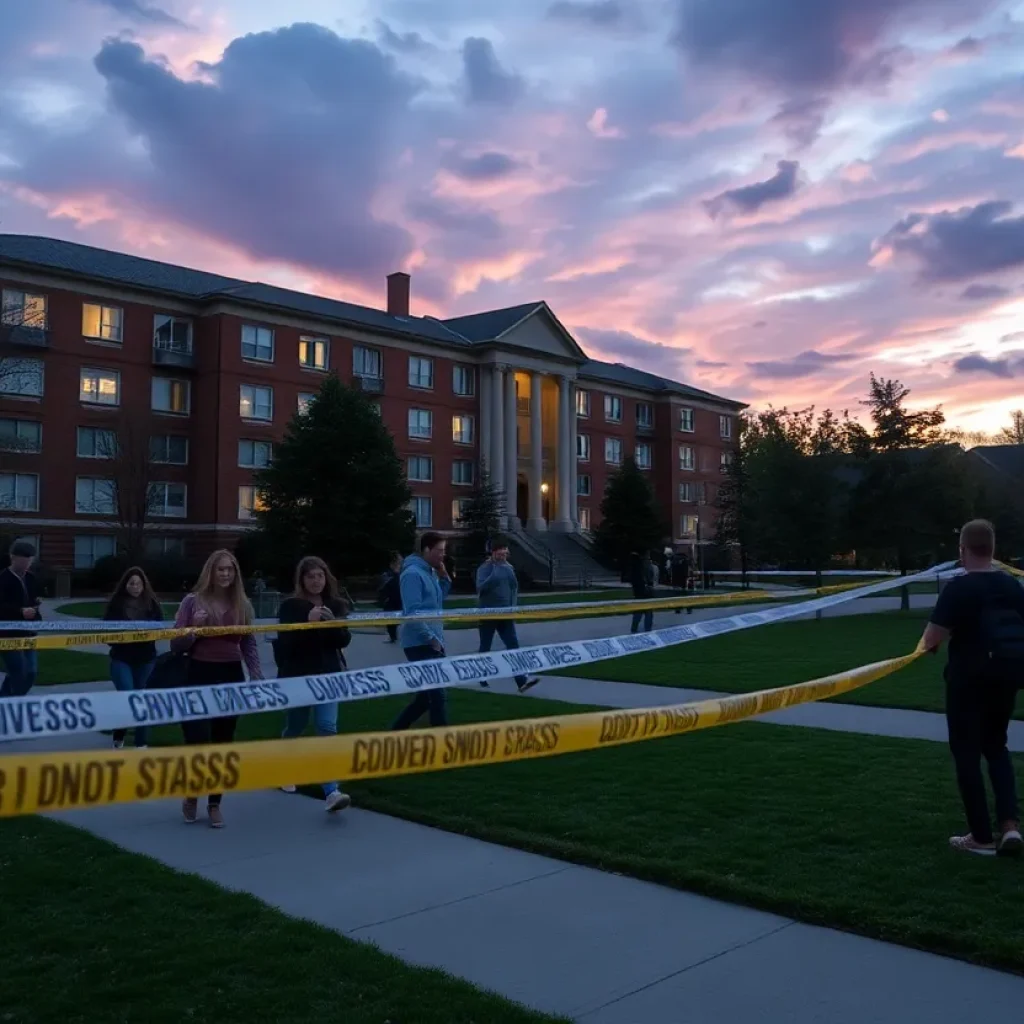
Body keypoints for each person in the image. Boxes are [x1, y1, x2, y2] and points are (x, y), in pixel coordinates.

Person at [920, 520, 1024, 857]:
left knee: (966, 755)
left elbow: (930, 641)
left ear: (962, 550)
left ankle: (980, 837)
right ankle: (1009, 827)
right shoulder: (1012, 586)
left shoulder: (958, 589)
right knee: (996, 748)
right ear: (993, 551)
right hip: (1007, 677)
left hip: (968, 682)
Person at [171, 548, 263, 828]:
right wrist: (193, 631)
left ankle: (214, 802)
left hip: (230, 674)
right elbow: (175, 645)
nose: (225, 574)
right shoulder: (192, 602)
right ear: (210, 572)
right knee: (197, 739)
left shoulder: (243, 605)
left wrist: (256, 674)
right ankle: (191, 794)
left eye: (230, 569)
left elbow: (248, 642)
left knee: (223, 741)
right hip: (198, 672)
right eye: (221, 569)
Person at [275, 556, 353, 813]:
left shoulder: (336, 605)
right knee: (296, 725)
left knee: (327, 726)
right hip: (299, 675)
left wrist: (331, 624)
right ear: (302, 579)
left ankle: (331, 790)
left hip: (329, 676)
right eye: (310, 576)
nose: (316, 581)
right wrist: (307, 625)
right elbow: (286, 645)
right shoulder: (290, 607)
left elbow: (343, 640)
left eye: (320, 576)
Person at [392, 532, 451, 730]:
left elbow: (437, 601)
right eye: (439, 551)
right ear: (426, 550)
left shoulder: (430, 571)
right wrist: (430, 638)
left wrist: (444, 578)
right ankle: (442, 741)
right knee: (437, 695)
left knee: (427, 698)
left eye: (444, 550)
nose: (443, 555)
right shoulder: (412, 574)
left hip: (433, 640)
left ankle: (396, 731)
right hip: (419, 643)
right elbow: (412, 612)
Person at [103, 566, 163, 749]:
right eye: (131, 583)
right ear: (125, 585)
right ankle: (119, 734)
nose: (135, 587)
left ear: (144, 585)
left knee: (142, 699)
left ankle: (141, 743)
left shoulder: (152, 604)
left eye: (138, 583)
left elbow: (161, 628)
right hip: (122, 658)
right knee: (128, 696)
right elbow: (107, 633)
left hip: (146, 659)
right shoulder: (116, 605)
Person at [475, 538, 539, 694]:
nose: (503, 553)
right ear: (493, 552)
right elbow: (481, 589)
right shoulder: (484, 568)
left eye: (505, 550)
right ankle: (481, 677)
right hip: (488, 615)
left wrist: (513, 608)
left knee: (513, 647)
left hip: (505, 614)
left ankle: (521, 682)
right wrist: (494, 571)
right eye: (500, 550)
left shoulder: (509, 568)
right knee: (485, 647)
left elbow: (513, 588)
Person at [0, 540, 42, 697]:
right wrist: (20, 611)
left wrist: (35, 612)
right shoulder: (3, 579)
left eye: (30, 559)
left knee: (31, 672)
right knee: (19, 671)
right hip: (8, 635)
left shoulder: (31, 578)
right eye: (23, 558)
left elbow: (34, 601)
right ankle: (13, 705)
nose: (27, 562)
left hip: (29, 633)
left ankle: (5, 701)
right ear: (13, 557)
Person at [378, 552, 403, 644]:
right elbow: (384, 587)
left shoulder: (402, 573)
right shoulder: (388, 574)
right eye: (397, 562)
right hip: (390, 600)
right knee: (390, 617)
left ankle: (397, 634)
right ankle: (392, 636)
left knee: (400, 616)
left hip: (399, 598)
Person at [629, 551, 657, 633]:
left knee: (638, 611)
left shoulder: (634, 566)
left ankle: (634, 628)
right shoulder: (645, 565)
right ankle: (647, 629)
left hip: (638, 591)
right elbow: (650, 576)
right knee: (648, 611)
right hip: (646, 591)